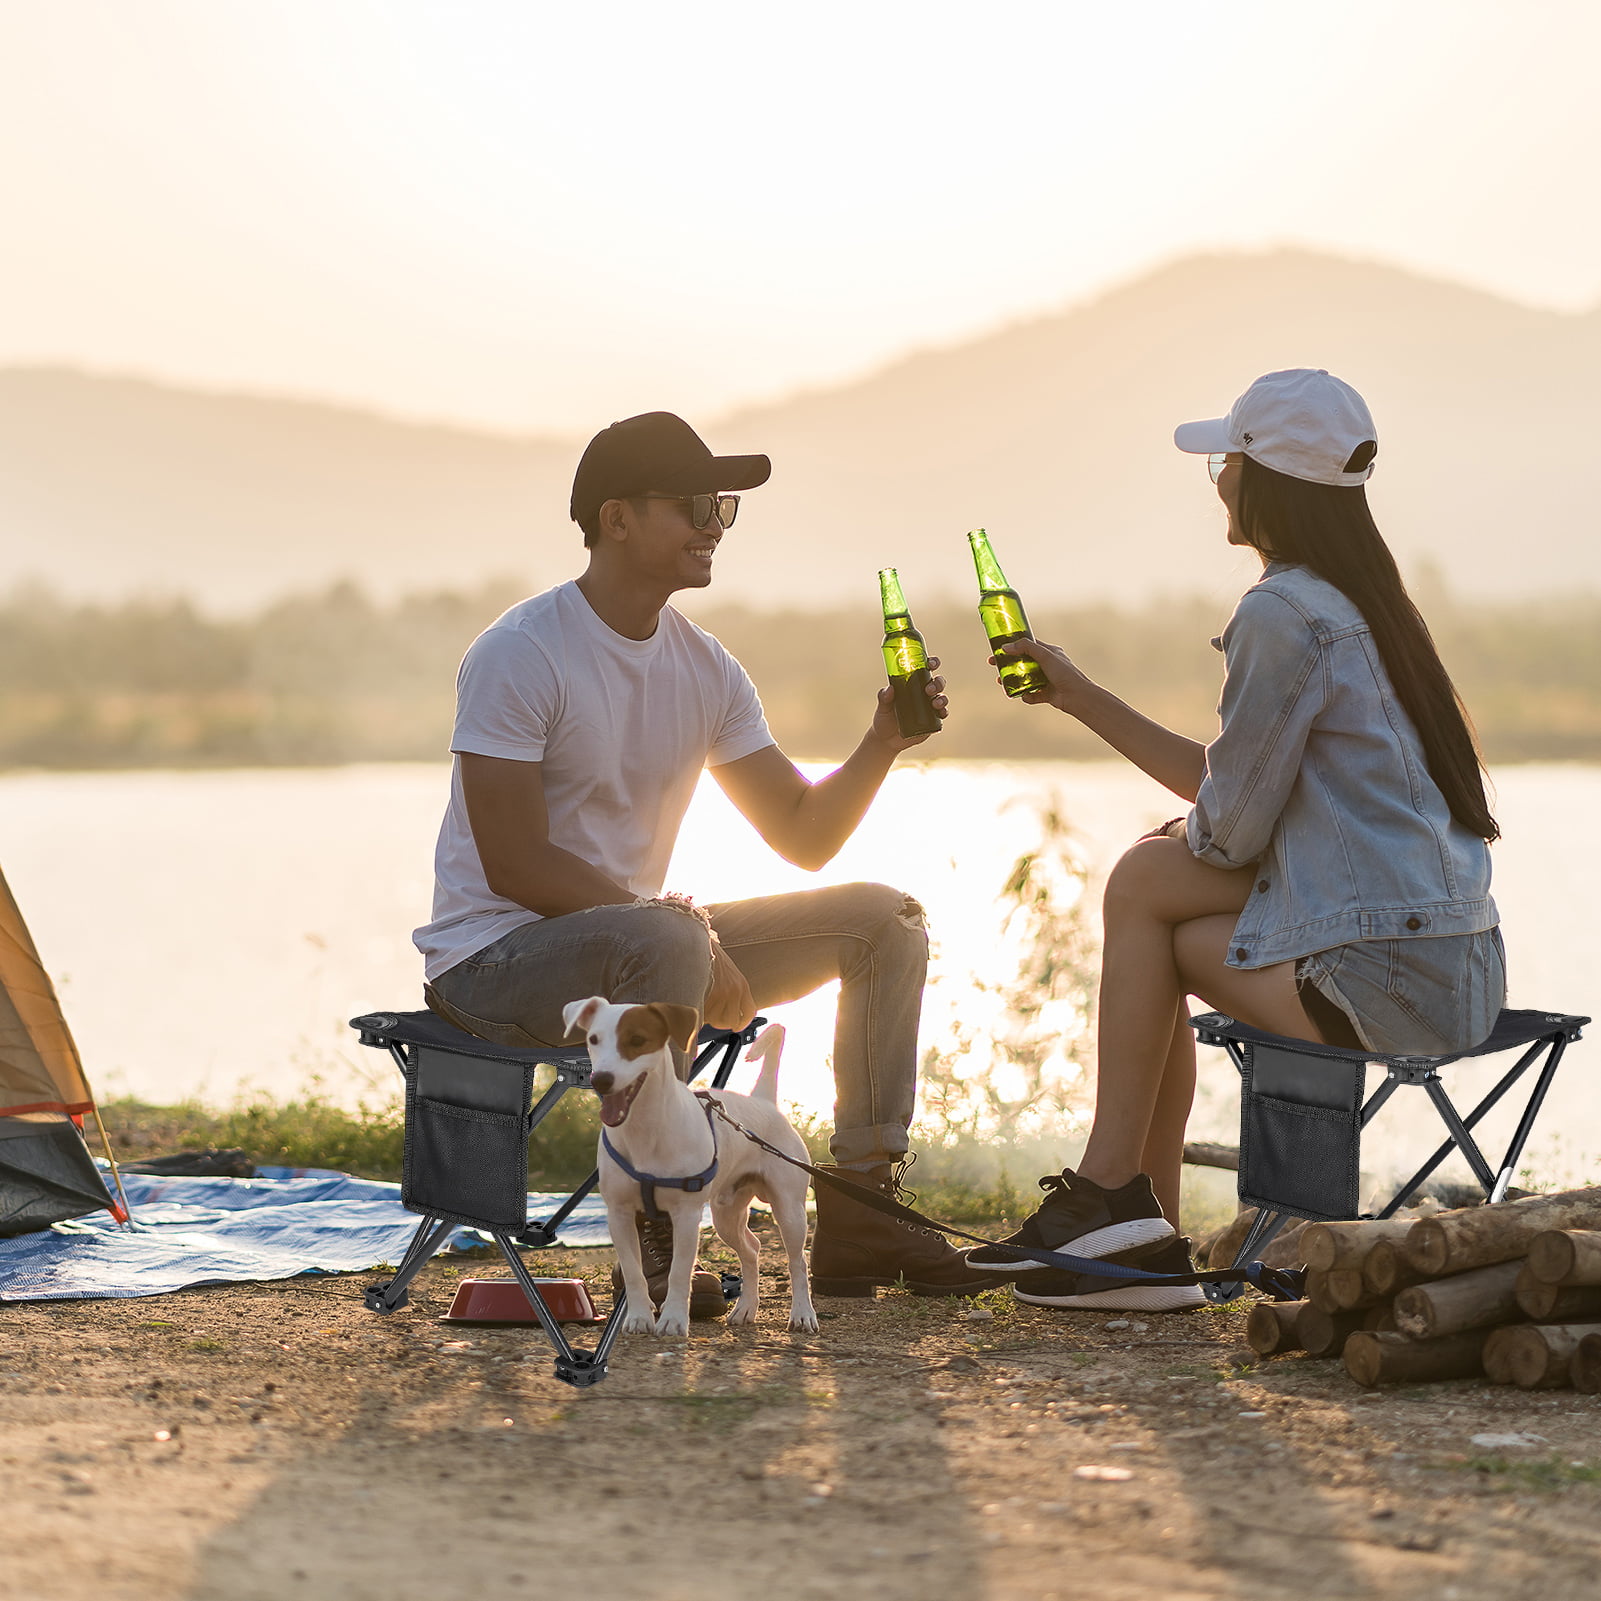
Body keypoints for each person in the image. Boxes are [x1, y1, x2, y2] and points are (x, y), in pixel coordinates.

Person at [414, 410, 994, 1314]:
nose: (714, 524)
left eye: (721, 507)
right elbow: (515, 864)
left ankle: (862, 1210)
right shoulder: (520, 652)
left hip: (648, 953)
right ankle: (652, 1238)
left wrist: (880, 743)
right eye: (693, 505)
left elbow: (802, 832)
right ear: (616, 518)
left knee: (885, 923)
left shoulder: (707, 667)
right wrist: (683, 930)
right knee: (671, 937)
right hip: (492, 963)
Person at [964, 368, 1505, 1311]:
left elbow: (1225, 831)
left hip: (1389, 972)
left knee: (1142, 880)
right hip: (1453, 965)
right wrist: (1081, 696)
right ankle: (1134, 1229)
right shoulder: (1365, 601)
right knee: (1158, 914)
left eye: (1225, 460)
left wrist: (1186, 832)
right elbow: (1236, 796)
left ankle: (1114, 1205)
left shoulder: (1283, 611)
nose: (1216, 478)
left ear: (1264, 480)